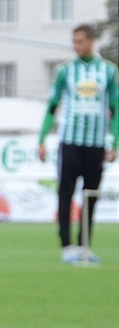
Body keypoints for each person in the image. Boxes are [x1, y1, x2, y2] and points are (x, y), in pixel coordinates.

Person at [38, 23, 118, 263]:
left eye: (80, 41)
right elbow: (52, 106)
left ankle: (84, 246)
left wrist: (114, 142)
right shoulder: (65, 71)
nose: (76, 46)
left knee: (90, 195)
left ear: (92, 41)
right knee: (65, 192)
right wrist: (42, 138)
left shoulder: (108, 71)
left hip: (95, 144)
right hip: (70, 142)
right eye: (74, 41)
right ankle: (66, 246)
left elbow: (115, 108)